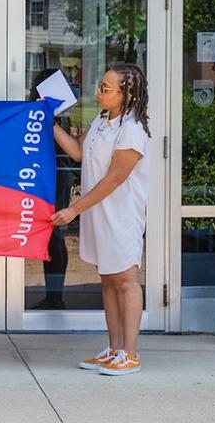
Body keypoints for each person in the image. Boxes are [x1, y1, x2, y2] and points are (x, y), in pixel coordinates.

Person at [51, 63, 150, 376]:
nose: (98, 92)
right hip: (99, 214)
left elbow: (114, 179)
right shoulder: (102, 120)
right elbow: (78, 153)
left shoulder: (132, 130)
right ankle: (114, 348)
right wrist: (49, 122)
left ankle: (130, 354)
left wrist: (74, 209)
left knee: (125, 280)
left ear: (127, 93)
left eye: (106, 88)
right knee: (108, 279)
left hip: (120, 216)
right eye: (100, 86)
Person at [29, 68, 77, 310]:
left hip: (57, 174)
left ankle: (55, 297)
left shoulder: (55, 115)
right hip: (53, 173)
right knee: (52, 237)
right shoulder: (56, 113)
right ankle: (53, 296)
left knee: (54, 236)